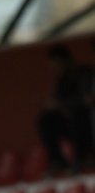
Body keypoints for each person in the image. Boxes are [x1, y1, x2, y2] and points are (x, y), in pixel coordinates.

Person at [36, 44, 94, 173]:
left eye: (57, 65)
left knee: (77, 114)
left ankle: (81, 158)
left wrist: (62, 104)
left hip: (88, 126)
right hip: (73, 126)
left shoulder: (85, 74)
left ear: (66, 61)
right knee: (46, 119)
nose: (56, 69)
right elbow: (56, 102)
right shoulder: (62, 80)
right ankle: (58, 161)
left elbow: (88, 100)